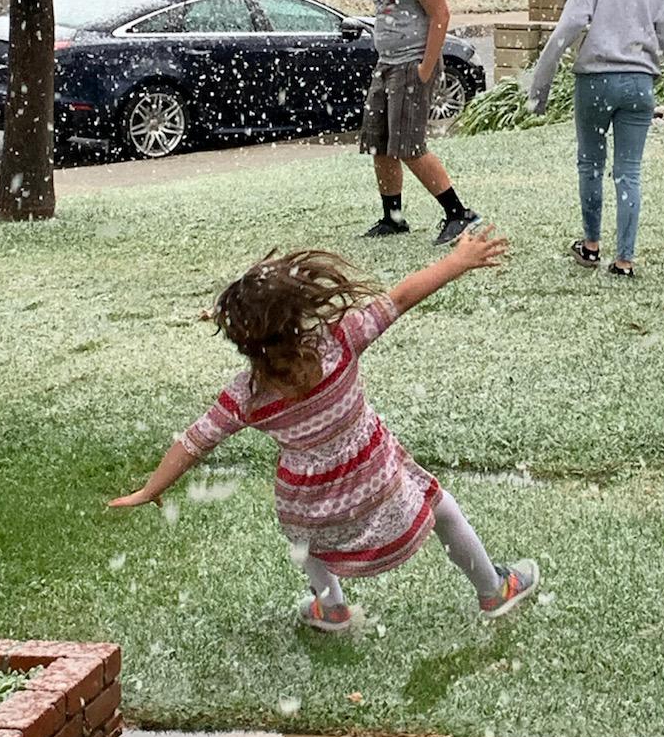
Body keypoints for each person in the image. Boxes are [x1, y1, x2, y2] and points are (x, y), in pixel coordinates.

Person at [109, 228, 539, 632]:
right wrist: (458, 260)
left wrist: (150, 489)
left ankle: (331, 607)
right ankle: (493, 589)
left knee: (303, 539)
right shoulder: (339, 343)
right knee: (441, 509)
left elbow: (193, 441)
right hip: (375, 481)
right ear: (297, 316)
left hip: (309, 505)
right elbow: (402, 297)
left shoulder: (246, 396)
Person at [528, 0, 664, 278]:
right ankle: (625, 260)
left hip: (596, 81)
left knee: (590, 163)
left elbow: (569, 25)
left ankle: (590, 246)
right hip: (639, 85)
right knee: (628, 172)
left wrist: (539, 89)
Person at [356, 0, 481, 245]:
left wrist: (426, 67)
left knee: (410, 146)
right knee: (380, 143)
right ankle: (392, 217)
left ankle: (459, 214)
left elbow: (440, 14)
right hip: (386, 64)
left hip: (412, 64)